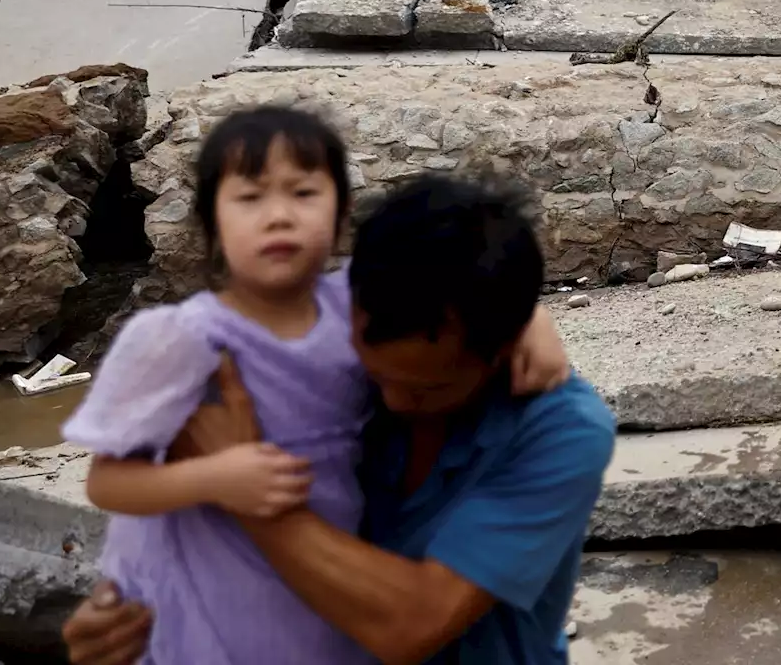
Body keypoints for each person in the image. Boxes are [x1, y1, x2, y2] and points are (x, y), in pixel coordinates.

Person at [59, 109, 577, 663]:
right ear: (211, 220)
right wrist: (213, 476)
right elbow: (108, 483)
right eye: (250, 198)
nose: (279, 216)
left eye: (304, 193)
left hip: (321, 574)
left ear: (342, 211)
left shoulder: (355, 306)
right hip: (211, 575)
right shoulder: (178, 340)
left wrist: (529, 323)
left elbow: (456, 289)